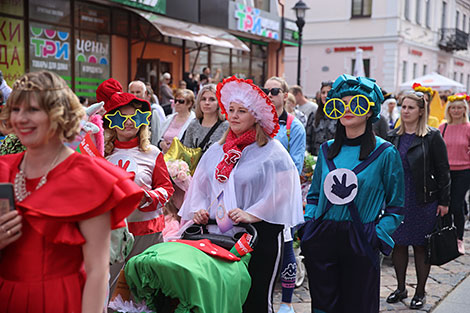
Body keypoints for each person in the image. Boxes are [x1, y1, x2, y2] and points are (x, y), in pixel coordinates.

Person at [0, 71, 144, 312]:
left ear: (58, 115)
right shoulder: (3, 170)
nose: (21, 119)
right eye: (16, 110)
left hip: (62, 302)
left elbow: (98, 272)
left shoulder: (89, 177)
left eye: (33, 110)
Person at [179, 76, 303, 313]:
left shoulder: (272, 151)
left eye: (242, 111)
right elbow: (201, 187)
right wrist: (200, 210)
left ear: (255, 115)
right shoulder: (217, 150)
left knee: (256, 300)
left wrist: (253, 214)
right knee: (223, 300)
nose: (234, 116)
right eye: (232, 110)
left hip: (261, 235)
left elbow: (286, 191)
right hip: (220, 235)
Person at [301, 74, 405, 313]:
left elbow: (396, 205)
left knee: (359, 305)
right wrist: (310, 225)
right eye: (341, 104)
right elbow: (315, 195)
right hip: (323, 235)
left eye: (355, 103)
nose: (347, 110)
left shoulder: (385, 153)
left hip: (360, 237)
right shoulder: (327, 149)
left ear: (370, 111)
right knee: (323, 304)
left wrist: (376, 234)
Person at [97, 78, 174, 292]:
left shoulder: (152, 153)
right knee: (108, 289)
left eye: (134, 117)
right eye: (122, 117)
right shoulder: (101, 154)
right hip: (111, 234)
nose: (129, 122)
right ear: (111, 121)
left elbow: (167, 189)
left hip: (147, 233)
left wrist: (149, 197)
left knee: (144, 290)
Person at [387, 92, 450, 310]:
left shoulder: (432, 136)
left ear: (421, 111)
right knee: (398, 244)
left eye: (411, 108)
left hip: (423, 199)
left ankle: (420, 291)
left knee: (421, 246)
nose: (405, 111)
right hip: (398, 199)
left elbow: (443, 171)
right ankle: (401, 287)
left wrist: (444, 201)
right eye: (403, 107)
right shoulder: (393, 135)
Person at [263, 76, 306, 313]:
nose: (269, 95)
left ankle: (287, 302)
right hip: (256, 196)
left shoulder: (292, 126)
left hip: (281, 196)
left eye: (275, 91)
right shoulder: (256, 122)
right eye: (265, 90)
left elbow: (295, 165)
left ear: (285, 94)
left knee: (287, 246)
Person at [439, 93, 470, 254]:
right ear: (448, 110)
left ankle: (459, 238)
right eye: (453, 108)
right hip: (444, 172)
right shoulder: (442, 127)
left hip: (464, 171)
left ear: (464, 110)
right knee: (444, 206)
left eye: (459, 108)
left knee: (456, 205)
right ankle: (445, 236)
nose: (456, 111)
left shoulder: (468, 128)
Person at [182, 84, 229, 153]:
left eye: (212, 99)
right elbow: (185, 150)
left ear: (219, 103)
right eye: (203, 99)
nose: (207, 103)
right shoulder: (193, 124)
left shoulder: (226, 126)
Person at [158, 88, 196, 153]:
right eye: (175, 101)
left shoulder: (194, 121)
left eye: (181, 101)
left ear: (190, 104)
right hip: (165, 156)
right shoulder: (169, 118)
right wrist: (161, 144)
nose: (177, 103)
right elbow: (159, 139)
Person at [305, 81, 337, 155]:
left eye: (328, 92)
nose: (325, 95)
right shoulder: (314, 115)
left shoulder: (340, 115)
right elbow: (307, 139)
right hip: (315, 158)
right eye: (323, 93)